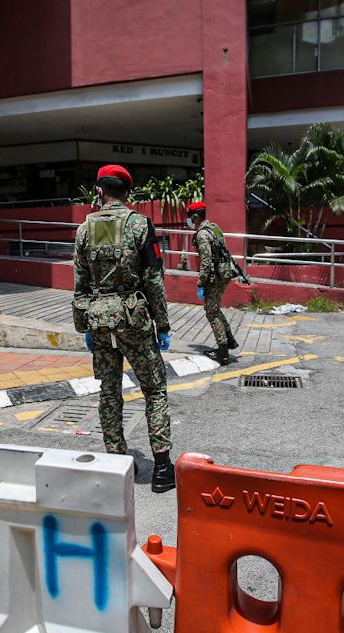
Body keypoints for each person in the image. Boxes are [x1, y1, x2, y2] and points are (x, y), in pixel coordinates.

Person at [72, 165, 176, 493]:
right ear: (128, 193)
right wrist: (163, 324)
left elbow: (81, 282)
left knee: (109, 391)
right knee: (155, 389)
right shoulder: (139, 225)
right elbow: (154, 278)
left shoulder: (84, 230)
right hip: (134, 320)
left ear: (99, 191)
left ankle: (116, 463)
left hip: (100, 322)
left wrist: (84, 325)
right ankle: (161, 469)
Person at [187, 201, 240, 365]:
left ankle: (223, 352)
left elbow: (206, 260)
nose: (188, 220)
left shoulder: (202, 235)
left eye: (190, 217)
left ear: (195, 217)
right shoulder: (214, 228)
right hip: (224, 273)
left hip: (214, 277)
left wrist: (201, 282)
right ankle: (229, 340)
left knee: (211, 313)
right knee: (215, 309)